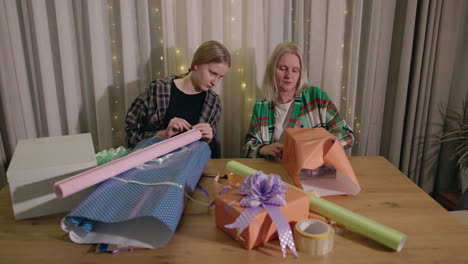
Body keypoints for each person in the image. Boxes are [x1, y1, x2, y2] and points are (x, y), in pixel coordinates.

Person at [241, 42, 354, 158]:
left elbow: (347, 134)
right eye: (283, 68)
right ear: (272, 71)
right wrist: (261, 149)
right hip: (275, 172)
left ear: (300, 74)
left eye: (295, 70)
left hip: (312, 172)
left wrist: (319, 147)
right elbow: (247, 147)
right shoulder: (261, 107)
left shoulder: (315, 98)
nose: (289, 75)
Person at [125, 40, 231, 157]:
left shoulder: (213, 102)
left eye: (220, 77)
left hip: (190, 171)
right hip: (152, 167)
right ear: (196, 64)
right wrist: (164, 134)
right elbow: (131, 137)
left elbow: (205, 154)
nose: (215, 82)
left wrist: (207, 142)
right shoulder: (157, 89)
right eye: (212, 73)